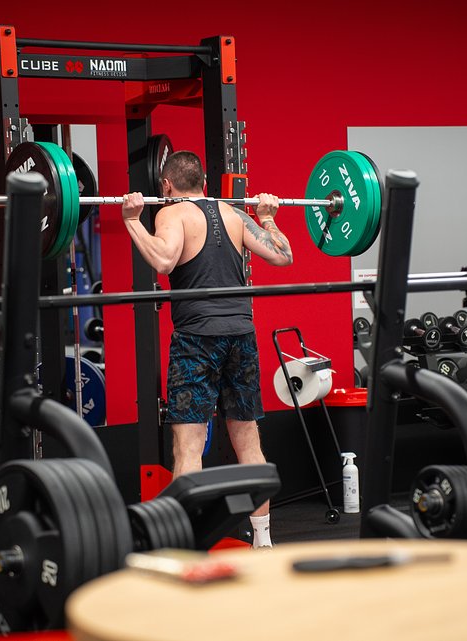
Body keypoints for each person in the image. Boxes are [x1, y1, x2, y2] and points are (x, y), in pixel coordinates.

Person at [122, 151, 292, 549]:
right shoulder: (234, 214)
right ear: (205, 183)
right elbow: (283, 256)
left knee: (188, 447)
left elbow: (164, 261)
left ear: (166, 185)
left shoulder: (171, 213)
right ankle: (263, 541)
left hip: (197, 340)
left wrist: (132, 221)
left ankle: (187, 546)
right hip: (241, 336)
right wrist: (267, 216)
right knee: (248, 441)